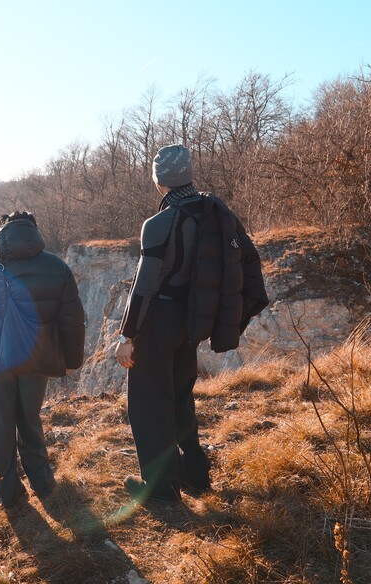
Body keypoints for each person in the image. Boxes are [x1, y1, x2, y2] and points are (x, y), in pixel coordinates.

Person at [115, 144, 267, 504]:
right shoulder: (215, 211)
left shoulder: (158, 224)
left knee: (150, 405)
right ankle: (195, 476)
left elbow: (145, 285)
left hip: (159, 322)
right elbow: (246, 261)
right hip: (193, 321)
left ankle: (160, 492)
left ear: (159, 180)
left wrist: (126, 334)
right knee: (180, 398)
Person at [0, 211, 86, 507]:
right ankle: (44, 485)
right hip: (37, 353)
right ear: (34, 232)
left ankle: (8, 494)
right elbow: (72, 319)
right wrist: (72, 360)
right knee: (29, 419)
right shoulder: (57, 268)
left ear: (2, 233)